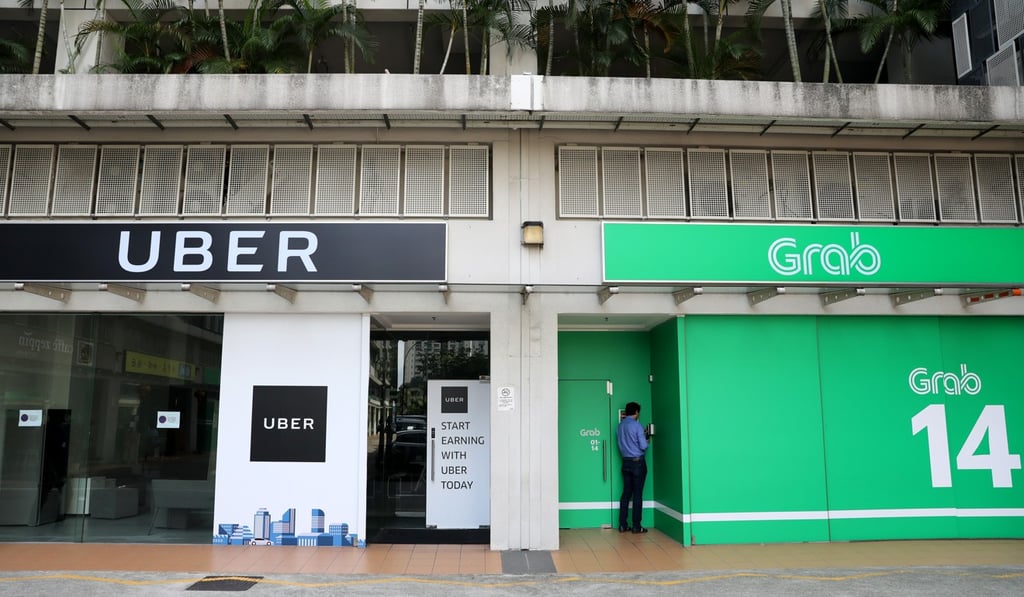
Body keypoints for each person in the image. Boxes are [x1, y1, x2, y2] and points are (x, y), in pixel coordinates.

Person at [616, 401, 649, 534]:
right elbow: (643, 446)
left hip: (626, 463)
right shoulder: (637, 426)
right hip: (638, 463)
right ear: (636, 412)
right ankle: (636, 526)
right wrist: (647, 440)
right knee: (637, 495)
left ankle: (623, 525)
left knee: (626, 493)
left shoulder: (620, 426)